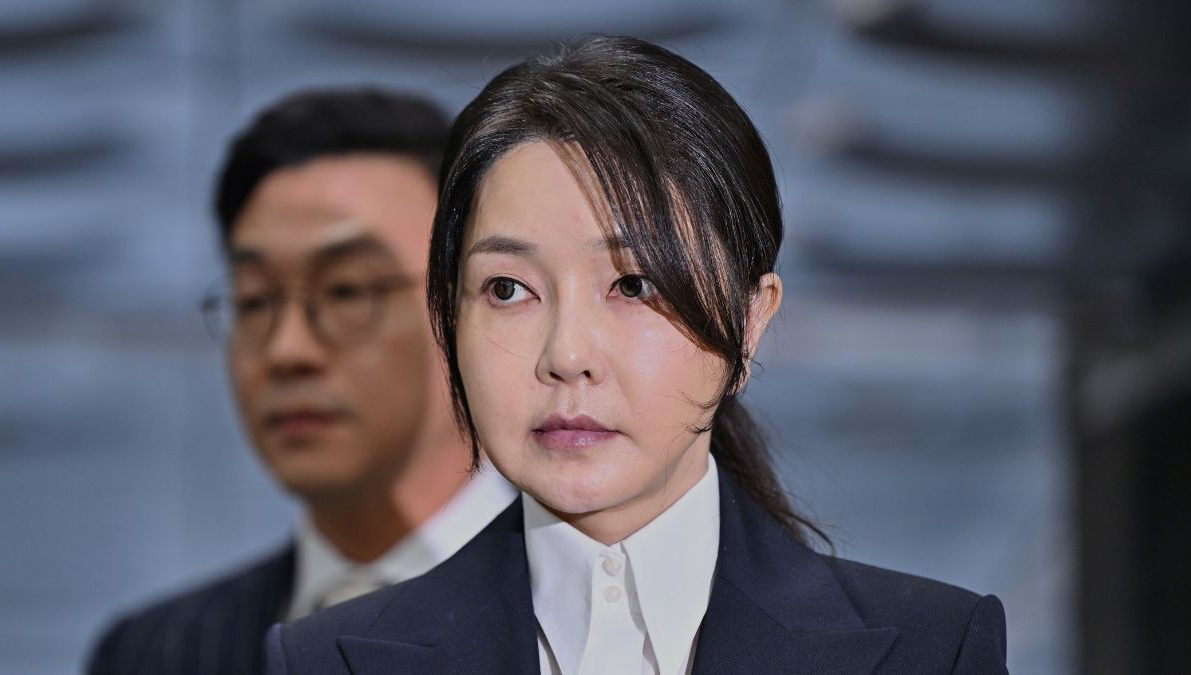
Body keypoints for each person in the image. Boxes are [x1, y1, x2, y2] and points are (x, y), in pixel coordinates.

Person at [264, 37, 1009, 675]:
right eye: (507, 289)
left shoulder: (930, 650)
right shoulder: (329, 661)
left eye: (634, 283)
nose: (567, 354)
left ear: (750, 323)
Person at [87, 88, 517, 675]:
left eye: (346, 291)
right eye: (257, 299)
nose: (288, 351)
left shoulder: (598, 614)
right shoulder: (155, 653)